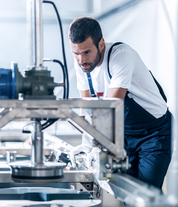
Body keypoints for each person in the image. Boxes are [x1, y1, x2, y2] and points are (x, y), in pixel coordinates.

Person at [68, 17, 172, 189]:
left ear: (101, 44)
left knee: (146, 194)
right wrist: (87, 145)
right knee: (126, 191)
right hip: (124, 134)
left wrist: (98, 147)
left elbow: (112, 107)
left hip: (153, 134)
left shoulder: (121, 56)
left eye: (86, 52)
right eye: (76, 53)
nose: (81, 60)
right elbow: (86, 108)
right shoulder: (83, 64)